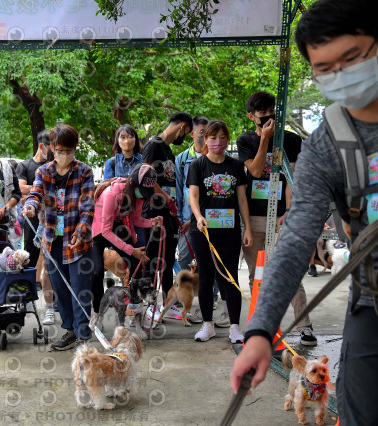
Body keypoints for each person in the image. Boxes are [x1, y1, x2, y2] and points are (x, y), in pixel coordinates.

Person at [231, 2, 378, 423]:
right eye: (326, 69)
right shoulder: (328, 141)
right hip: (371, 303)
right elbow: (296, 239)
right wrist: (260, 331)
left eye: (353, 59)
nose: (343, 75)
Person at [236, 91, 318, 347]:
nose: (270, 117)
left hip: (282, 216)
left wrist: (291, 211)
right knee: (256, 274)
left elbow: (294, 179)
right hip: (254, 217)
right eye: (263, 114)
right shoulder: (246, 141)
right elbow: (256, 170)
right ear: (252, 117)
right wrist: (266, 140)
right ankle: (263, 326)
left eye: (273, 111)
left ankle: (303, 325)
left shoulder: (292, 140)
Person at [23, 124, 95, 351]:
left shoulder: (85, 171)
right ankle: (71, 331)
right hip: (52, 239)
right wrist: (31, 206)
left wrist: (81, 231)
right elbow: (35, 193)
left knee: (80, 287)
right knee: (60, 289)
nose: (65, 155)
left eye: (69, 151)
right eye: (61, 150)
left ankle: (84, 334)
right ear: (52, 148)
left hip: (78, 240)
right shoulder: (43, 172)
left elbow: (88, 207)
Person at [187, 120, 252, 343]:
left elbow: (242, 200)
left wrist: (248, 229)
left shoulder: (236, 166)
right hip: (203, 230)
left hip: (229, 230)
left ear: (227, 139)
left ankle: (235, 326)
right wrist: (198, 217)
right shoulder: (197, 166)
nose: (218, 142)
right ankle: (208, 325)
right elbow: (193, 196)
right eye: (213, 138)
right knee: (205, 277)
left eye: (222, 137)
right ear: (205, 140)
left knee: (230, 277)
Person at [90, 164, 162, 327]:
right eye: (141, 190)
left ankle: (135, 312)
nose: (142, 196)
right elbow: (106, 231)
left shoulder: (137, 195)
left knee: (137, 266)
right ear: (132, 183)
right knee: (96, 272)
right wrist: (131, 250)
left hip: (118, 226)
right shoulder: (112, 194)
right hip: (100, 229)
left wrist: (152, 222)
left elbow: (136, 219)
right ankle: (97, 313)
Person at [174, 115, 225, 323]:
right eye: (202, 133)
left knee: (211, 259)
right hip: (187, 218)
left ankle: (212, 295)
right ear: (192, 133)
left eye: (209, 133)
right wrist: (179, 217)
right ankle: (189, 294)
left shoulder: (214, 158)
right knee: (184, 259)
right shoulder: (182, 159)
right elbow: (179, 189)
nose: (205, 138)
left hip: (210, 219)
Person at [141, 112, 193, 307]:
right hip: (154, 213)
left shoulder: (169, 151)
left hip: (170, 214)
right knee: (152, 259)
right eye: (187, 132)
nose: (185, 136)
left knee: (168, 259)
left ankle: (167, 303)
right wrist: (163, 195)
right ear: (182, 127)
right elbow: (145, 174)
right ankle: (148, 304)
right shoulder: (153, 145)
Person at [16, 130, 54, 324]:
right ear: (42, 146)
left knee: (50, 263)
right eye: (52, 147)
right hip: (32, 219)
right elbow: (20, 189)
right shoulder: (25, 165)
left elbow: (27, 191)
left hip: (51, 220)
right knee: (28, 257)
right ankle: (26, 297)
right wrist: (39, 189)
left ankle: (51, 303)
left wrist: (32, 191)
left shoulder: (54, 166)